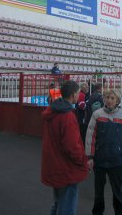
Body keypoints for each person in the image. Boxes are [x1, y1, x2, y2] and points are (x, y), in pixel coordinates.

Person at [41, 80, 88, 215]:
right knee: (67, 206)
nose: (79, 96)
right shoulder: (67, 116)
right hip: (65, 169)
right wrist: (83, 161)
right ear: (73, 95)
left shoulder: (52, 111)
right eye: (78, 93)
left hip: (54, 165)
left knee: (58, 202)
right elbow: (72, 147)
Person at [85, 89, 122, 215]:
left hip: (116, 162)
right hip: (99, 160)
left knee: (117, 192)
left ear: (117, 100)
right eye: (107, 97)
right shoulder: (97, 114)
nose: (109, 100)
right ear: (104, 99)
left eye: (112, 98)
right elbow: (90, 137)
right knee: (98, 193)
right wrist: (90, 157)